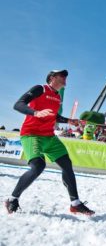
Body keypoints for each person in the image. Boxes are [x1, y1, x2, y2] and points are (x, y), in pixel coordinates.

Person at [5, 69, 95, 215]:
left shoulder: (57, 96)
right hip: (32, 135)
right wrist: (35, 112)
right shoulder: (40, 88)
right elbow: (18, 104)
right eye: (62, 75)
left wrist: (68, 120)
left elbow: (54, 116)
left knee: (67, 164)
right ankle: (12, 199)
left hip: (49, 136)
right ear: (52, 78)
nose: (65, 78)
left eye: (66, 76)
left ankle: (75, 203)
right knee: (38, 166)